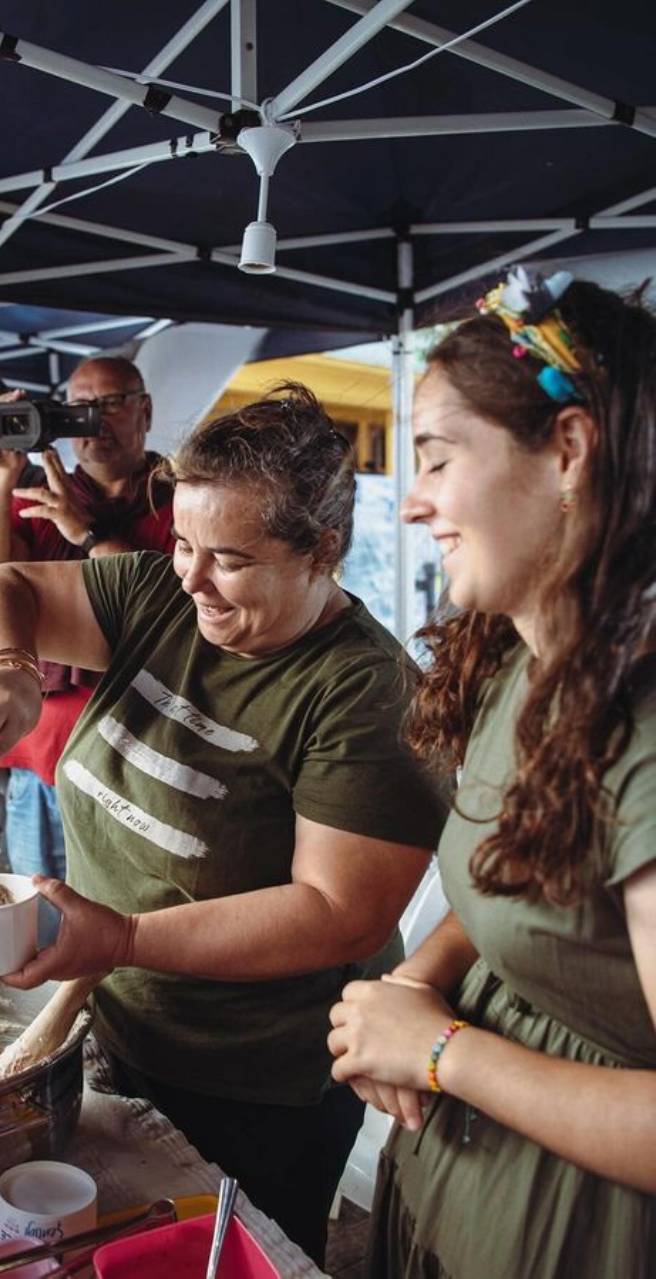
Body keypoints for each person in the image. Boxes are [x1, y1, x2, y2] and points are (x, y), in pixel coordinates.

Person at [0, 384, 448, 1264]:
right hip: (112, 1032)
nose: (190, 576)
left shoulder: (366, 692)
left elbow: (339, 911)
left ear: (321, 551)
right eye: (180, 541)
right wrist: (12, 667)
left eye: (228, 557)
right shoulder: (160, 595)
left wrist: (126, 935)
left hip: (250, 1083)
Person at [326, 272, 656, 1279]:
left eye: (435, 457)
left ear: (565, 452)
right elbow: (528, 887)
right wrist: (415, 978)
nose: (412, 497)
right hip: (463, 1199)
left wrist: (439, 1052)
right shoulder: (521, 663)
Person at [0, 356, 176, 884]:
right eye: (79, 407)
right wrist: (5, 472)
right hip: (42, 762)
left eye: (112, 403)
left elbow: (173, 605)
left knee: (127, 922)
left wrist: (88, 534)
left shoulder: (177, 498)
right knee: (42, 924)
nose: (94, 420)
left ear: (145, 410)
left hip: (142, 761)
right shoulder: (40, 494)